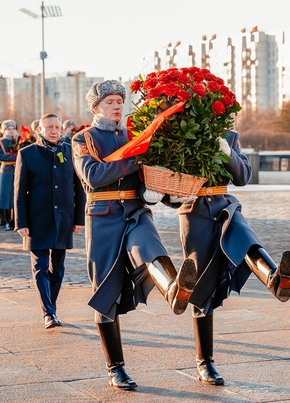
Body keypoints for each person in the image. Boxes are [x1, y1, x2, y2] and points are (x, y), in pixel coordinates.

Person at [72, 80, 197, 391]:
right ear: (96, 107)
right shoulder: (82, 138)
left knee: (150, 247)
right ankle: (115, 368)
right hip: (103, 219)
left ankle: (175, 290)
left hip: (135, 209)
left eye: (119, 100)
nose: (117, 106)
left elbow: (146, 178)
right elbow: (93, 175)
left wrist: (164, 193)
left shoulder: (133, 136)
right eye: (110, 101)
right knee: (106, 295)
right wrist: (135, 157)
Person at [168, 129, 290, 386]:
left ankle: (275, 278)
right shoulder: (180, 131)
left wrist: (227, 152)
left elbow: (243, 176)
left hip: (225, 202)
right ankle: (204, 362)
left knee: (243, 237)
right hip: (194, 213)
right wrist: (171, 197)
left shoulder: (230, 136)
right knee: (201, 286)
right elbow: (166, 183)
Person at [15, 113, 86, 329]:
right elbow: (19, 192)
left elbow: (79, 187)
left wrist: (78, 218)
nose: (54, 131)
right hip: (37, 219)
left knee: (59, 269)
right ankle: (48, 313)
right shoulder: (27, 154)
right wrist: (21, 222)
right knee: (41, 267)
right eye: (49, 127)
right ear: (40, 130)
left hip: (63, 219)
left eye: (57, 127)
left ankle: (51, 308)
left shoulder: (69, 152)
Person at [0, 120, 19, 230]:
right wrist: (16, 157)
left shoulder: (19, 140)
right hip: (7, 170)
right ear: (3, 130)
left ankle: (16, 220)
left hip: (18, 169)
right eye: (8, 129)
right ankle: (7, 220)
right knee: (7, 196)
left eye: (13, 129)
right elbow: (0, 156)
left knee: (17, 195)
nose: (11, 131)